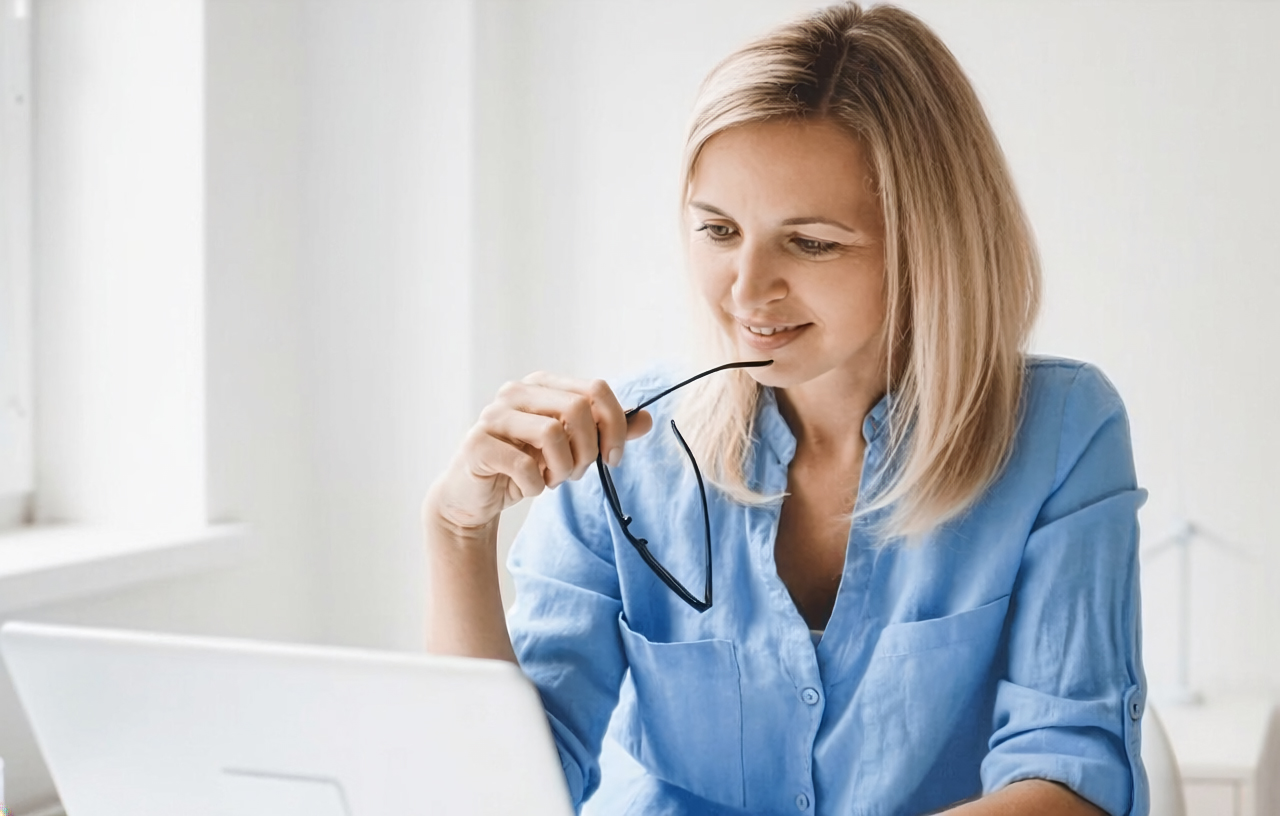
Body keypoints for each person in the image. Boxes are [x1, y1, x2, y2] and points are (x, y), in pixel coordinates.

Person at [423, 3, 1148, 815]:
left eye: (811, 242)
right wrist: (458, 531)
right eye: (719, 229)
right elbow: (497, 792)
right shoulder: (624, 451)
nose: (745, 289)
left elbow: (1069, 778)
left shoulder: (1060, 434)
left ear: (930, 246)